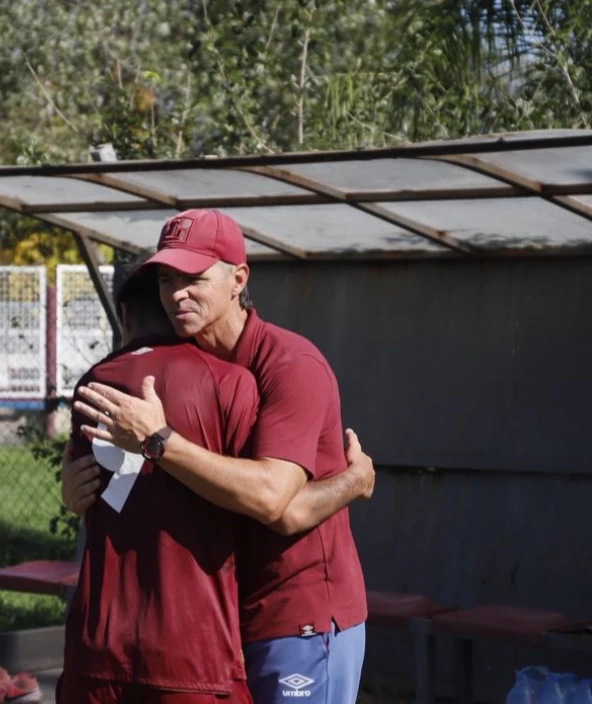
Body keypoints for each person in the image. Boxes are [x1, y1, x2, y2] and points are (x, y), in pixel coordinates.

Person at [70, 209, 373, 704]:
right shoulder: (195, 369)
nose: (177, 294)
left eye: (194, 278)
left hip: (298, 618)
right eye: (168, 279)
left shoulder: (290, 365)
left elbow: (279, 503)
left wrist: (159, 440)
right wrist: (77, 488)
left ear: (238, 279)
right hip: (228, 620)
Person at [59, 262, 261, 703]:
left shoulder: (95, 383)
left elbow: (81, 489)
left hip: (98, 644)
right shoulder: (229, 382)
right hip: (193, 648)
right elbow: (258, 500)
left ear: (126, 316)